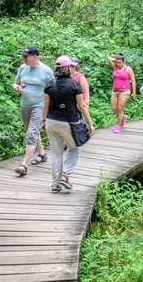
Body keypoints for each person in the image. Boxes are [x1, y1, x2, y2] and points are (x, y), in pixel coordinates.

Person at [43, 56, 94, 193]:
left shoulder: (49, 84)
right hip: (68, 123)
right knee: (74, 148)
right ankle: (65, 176)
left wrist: (43, 122)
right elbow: (82, 106)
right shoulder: (74, 84)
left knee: (56, 153)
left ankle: (55, 185)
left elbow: (45, 106)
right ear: (67, 68)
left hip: (51, 122)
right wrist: (90, 123)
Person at [13, 46, 54, 176]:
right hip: (24, 105)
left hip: (39, 105)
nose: (23, 58)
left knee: (31, 133)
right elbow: (16, 83)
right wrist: (17, 87)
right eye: (23, 56)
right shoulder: (22, 68)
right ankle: (42, 153)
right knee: (31, 131)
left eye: (26, 56)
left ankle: (24, 165)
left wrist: (48, 108)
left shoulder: (46, 70)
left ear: (34, 56)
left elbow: (53, 90)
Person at [60, 57, 90, 188]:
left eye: (74, 65)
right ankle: (63, 177)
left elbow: (85, 96)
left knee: (72, 138)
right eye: (71, 65)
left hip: (75, 112)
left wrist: (84, 110)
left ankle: (62, 178)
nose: (72, 67)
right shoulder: (60, 79)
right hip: (61, 114)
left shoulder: (80, 78)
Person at [108, 53, 136, 134]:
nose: (118, 64)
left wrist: (134, 92)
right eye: (117, 62)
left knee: (120, 108)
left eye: (120, 62)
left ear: (123, 62)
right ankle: (122, 117)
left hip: (124, 91)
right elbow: (109, 58)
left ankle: (119, 126)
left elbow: (133, 81)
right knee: (114, 108)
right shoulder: (115, 67)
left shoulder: (128, 69)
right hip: (115, 91)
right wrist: (116, 59)